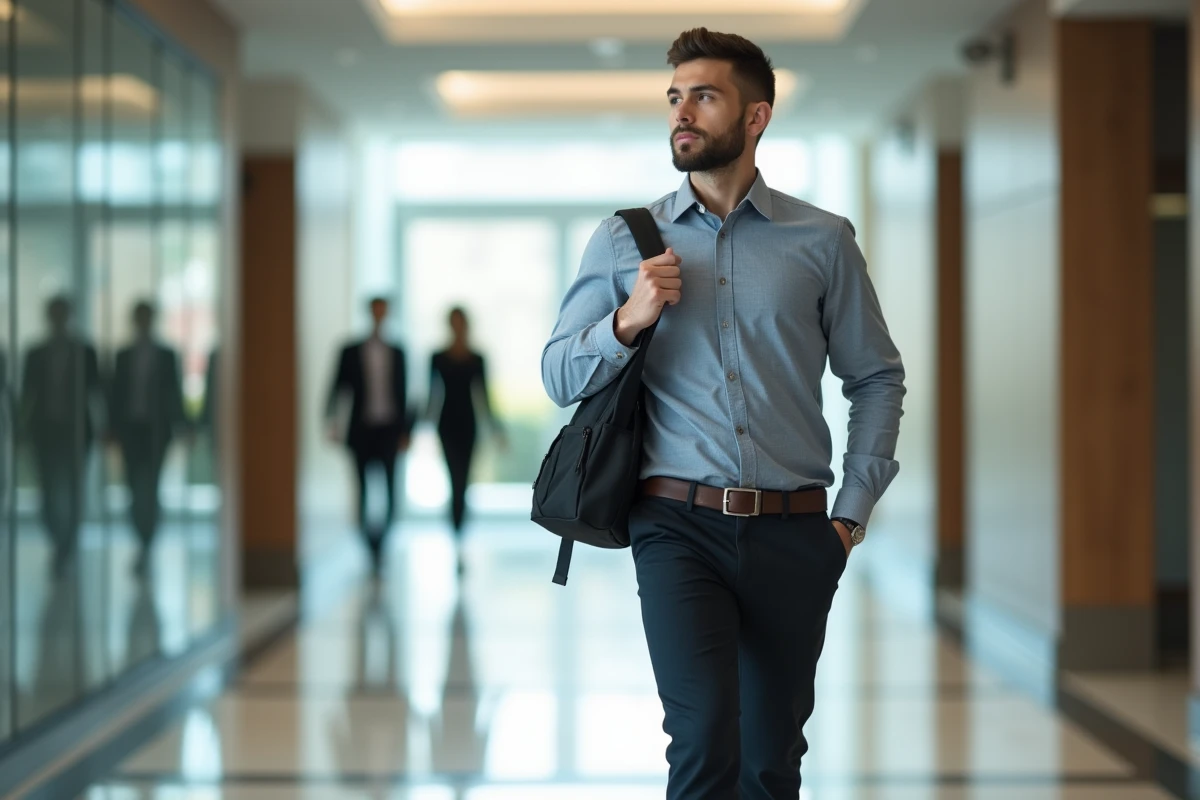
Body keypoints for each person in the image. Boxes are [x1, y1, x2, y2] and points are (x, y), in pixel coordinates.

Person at [541, 28, 905, 799]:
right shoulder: (624, 240)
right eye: (675, 97)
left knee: (771, 760)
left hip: (797, 530)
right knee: (704, 741)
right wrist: (627, 319)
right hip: (676, 525)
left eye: (704, 97)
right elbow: (557, 374)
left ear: (755, 116)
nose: (682, 113)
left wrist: (850, 516)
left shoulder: (823, 241)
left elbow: (875, 377)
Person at [326, 296, 413, 575]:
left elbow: (404, 394)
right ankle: (368, 544)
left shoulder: (398, 352)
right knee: (362, 490)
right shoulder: (350, 351)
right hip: (361, 430)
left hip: (389, 430)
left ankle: (382, 543)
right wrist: (332, 420)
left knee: (389, 490)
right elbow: (337, 387)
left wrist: (406, 431)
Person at [20, 296, 103, 579]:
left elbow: (96, 392)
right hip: (45, 431)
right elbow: (28, 394)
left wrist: (104, 427)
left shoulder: (85, 351)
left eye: (62, 313)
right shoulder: (35, 352)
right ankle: (57, 538)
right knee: (48, 490)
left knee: (74, 489)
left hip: (76, 432)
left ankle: (66, 545)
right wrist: (21, 429)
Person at [108, 301, 186, 577]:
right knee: (133, 487)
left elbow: (174, 392)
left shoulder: (166, 355)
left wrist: (183, 425)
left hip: (156, 431)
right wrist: (111, 429)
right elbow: (115, 395)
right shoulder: (123, 355)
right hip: (131, 430)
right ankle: (141, 536)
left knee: (150, 486)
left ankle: (147, 542)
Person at [427, 308, 504, 547]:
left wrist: (496, 429)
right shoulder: (437, 357)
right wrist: (419, 428)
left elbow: (484, 397)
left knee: (464, 479)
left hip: (469, 424)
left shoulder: (477, 358)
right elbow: (432, 395)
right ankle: (456, 527)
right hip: (446, 424)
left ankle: (459, 528)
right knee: (454, 478)